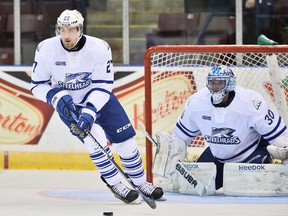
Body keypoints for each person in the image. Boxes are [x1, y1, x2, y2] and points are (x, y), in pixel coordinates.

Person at [30, 9, 163, 203]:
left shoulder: (99, 47)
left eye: (72, 30)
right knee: (96, 142)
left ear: (80, 29)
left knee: (126, 142)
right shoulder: (46, 48)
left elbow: (103, 84)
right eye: (62, 30)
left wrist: (90, 110)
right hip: (69, 106)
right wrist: (56, 96)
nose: (66, 35)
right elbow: (37, 85)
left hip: (100, 99)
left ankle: (141, 183)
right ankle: (116, 184)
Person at [157, 65, 288, 190]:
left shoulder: (250, 103)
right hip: (217, 156)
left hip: (250, 154)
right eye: (212, 83)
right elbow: (179, 138)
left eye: (220, 83)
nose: (216, 87)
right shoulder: (197, 103)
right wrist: (172, 154)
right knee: (191, 186)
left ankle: (266, 164)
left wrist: (283, 151)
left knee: (243, 187)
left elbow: (279, 136)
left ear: (230, 84)